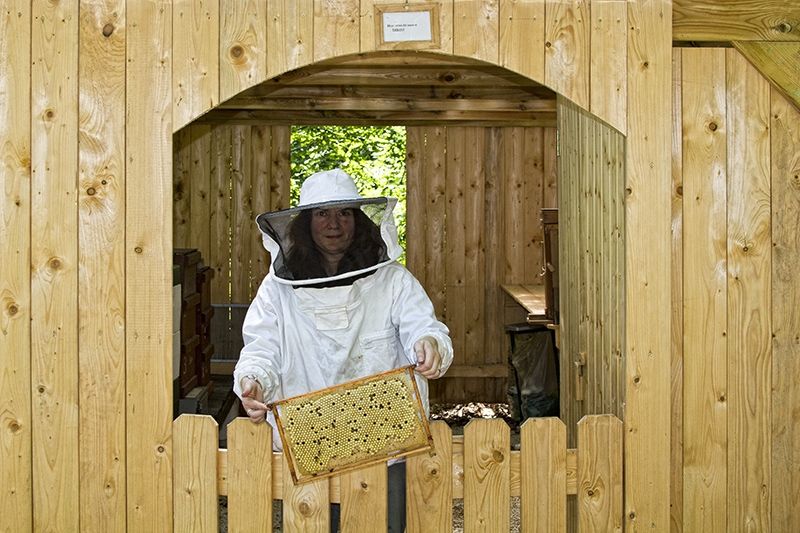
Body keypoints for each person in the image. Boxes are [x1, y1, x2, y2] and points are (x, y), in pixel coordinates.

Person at [233, 168, 453, 532]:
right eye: (322, 213)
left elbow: (425, 327)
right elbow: (261, 348)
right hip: (309, 443)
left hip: (385, 444)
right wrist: (252, 381)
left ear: (359, 219)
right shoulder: (277, 291)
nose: (334, 224)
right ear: (304, 223)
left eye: (344, 213)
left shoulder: (392, 280)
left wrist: (430, 345)